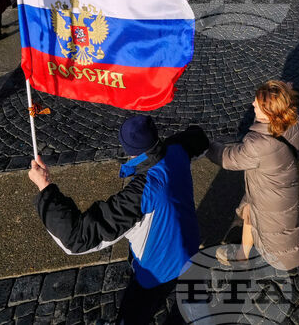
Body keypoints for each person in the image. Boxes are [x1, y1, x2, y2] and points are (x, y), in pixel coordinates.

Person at [30, 116, 209, 325]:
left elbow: (76, 238)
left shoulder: (140, 194)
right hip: (188, 251)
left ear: (128, 150)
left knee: (134, 314)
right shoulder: (177, 150)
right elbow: (198, 137)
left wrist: (45, 187)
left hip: (156, 271)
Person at [207, 81, 299, 302]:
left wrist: (205, 145)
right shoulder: (293, 120)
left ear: (270, 112)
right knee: (250, 212)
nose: (252, 103)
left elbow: (228, 158)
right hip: (269, 188)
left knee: (290, 245)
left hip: (273, 200)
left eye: (258, 104)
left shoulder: (258, 143)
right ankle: (242, 257)